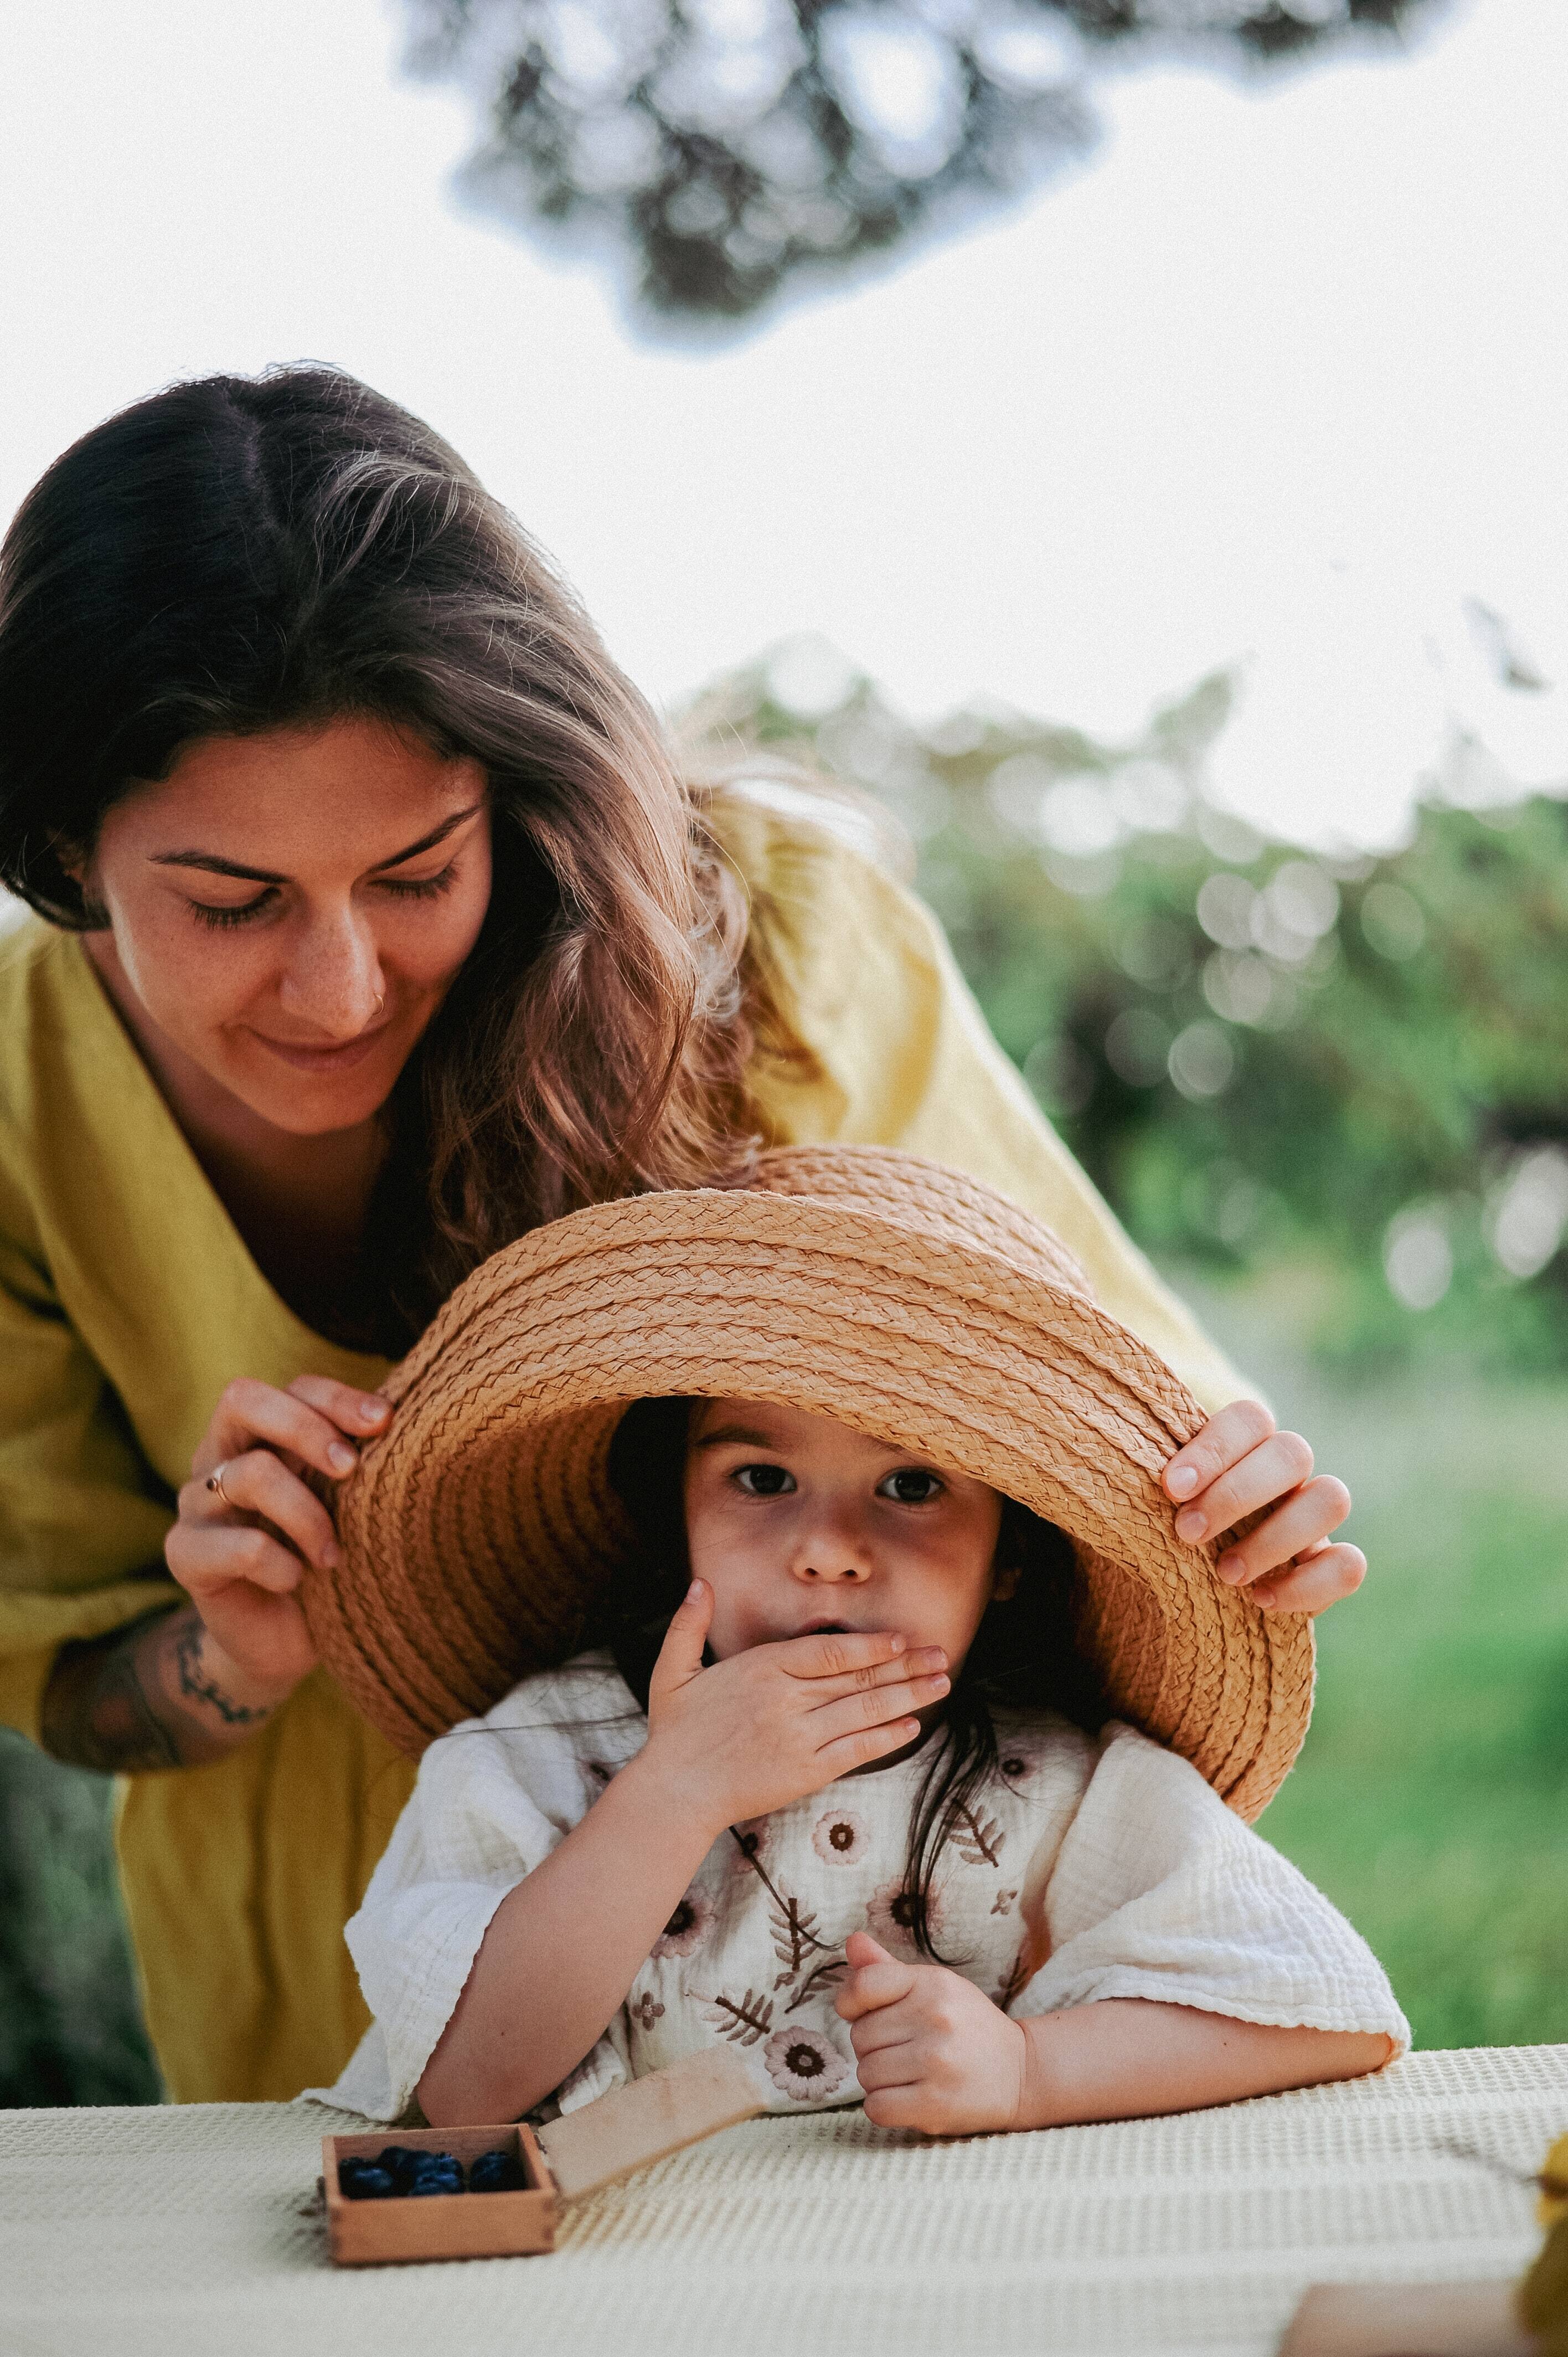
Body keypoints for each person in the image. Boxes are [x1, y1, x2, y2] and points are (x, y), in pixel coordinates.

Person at [0, 367, 1364, 2106]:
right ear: (61, 851)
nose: (337, 988)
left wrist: (1230, 1514)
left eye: (417, 874)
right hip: (310, 1994)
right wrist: (234, 1656)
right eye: (229, 903)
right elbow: (65, 1678)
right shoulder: (17, 1099)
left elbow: (1088, 1415)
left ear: (518, 794)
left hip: (882, 2013)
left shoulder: (775, 945)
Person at [302, 1150, 1404, 2133]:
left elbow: (1324, 2008)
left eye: (912, 1484)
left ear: (1008, 1555)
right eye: (762, 1477)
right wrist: (669, 1793)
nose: (829, 1549)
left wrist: (1033, 2069)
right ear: (673, 1512)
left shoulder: (1058, 1782)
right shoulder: (543, 1751)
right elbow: (457, 2091)